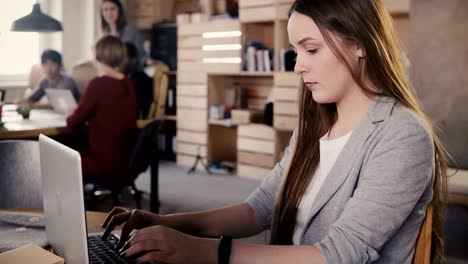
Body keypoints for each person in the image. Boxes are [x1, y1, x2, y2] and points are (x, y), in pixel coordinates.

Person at [101, 0, 449, 263]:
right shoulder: (317, 124)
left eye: (310, 49)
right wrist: (167, 222)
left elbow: (341, 254)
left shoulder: (402, 135)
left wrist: (206, 252)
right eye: (296, 51)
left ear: (360, 44)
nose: (298, 66)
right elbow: (257, 210)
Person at [67, 36, 138, 182]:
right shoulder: (128, 83)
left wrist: (73, 112)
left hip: (103, 161)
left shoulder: (98, 84)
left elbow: (73, 122)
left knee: (60, 156)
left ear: (97, 56)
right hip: (126, 159)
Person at [100, 0, 148, 68]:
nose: (109, 13)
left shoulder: (130, 29)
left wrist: (147, 61)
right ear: (102, 13)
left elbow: (141, 55)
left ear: (119, 11)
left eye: (113, 9)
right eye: (105, 10)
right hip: (109, 71)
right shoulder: (104, 33)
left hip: (128, 71)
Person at [124, 42, 153, 118]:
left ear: (133, 60)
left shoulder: (142, 80)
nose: (120, 62)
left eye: (124, 58)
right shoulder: (125, 78)